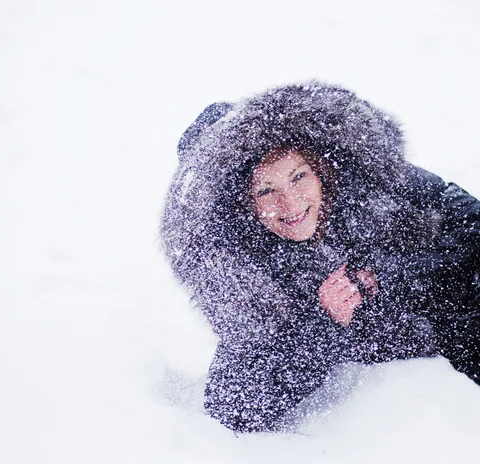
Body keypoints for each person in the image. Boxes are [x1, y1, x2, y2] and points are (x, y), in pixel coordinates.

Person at [160, 83, 480, 433]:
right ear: (243, 207)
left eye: (298, 176)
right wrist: (324, 323)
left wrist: (386, 274)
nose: (292, 203)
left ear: (319, 170)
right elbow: (235, 404)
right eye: (267, 191)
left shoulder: (361, 180)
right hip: (425, 404)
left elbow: (462, 214)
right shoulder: (248, 277)